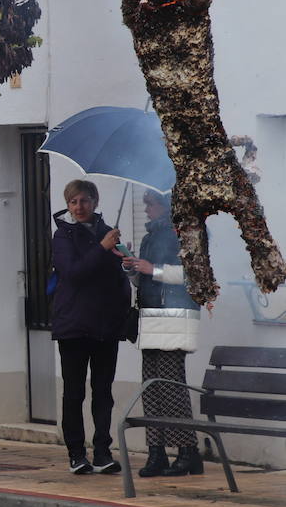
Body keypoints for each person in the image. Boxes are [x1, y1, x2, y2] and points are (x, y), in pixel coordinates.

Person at [50, 179, 131, 475]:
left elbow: (117, 281)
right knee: (74, 392)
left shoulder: (109, 234)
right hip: (73, 325)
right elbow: (73, 273)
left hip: (105, 326)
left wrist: (124, 262)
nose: (78, 207)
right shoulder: (63, 236)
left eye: (84, 201)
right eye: (73, 202)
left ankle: (102, 451)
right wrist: (102, 248)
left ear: (95, 202)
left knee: (103, 391)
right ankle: (75, 453)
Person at [124, 189, 205, 477]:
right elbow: (144, 281)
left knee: (172, 389)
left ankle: (188, 453)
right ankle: (156, 453)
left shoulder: (183, 234)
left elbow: (194, 275)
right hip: (151, 318)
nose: (146, 209)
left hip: (175, 318)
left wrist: (152, 268)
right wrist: (133, 269)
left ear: (167, 205)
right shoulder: (149, 238)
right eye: (145, 204)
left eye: (151, 204)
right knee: (152, 389)